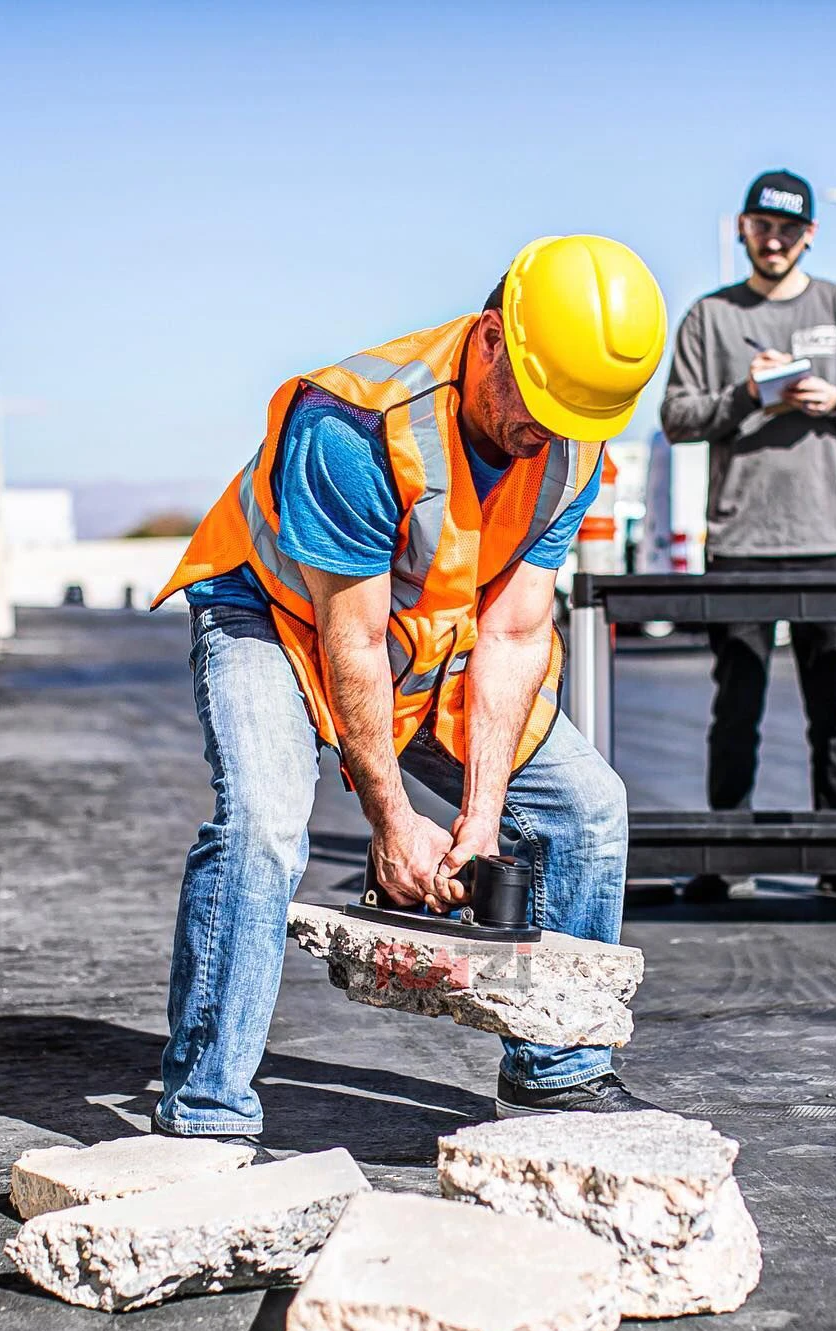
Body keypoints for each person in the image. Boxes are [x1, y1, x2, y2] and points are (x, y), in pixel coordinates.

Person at [151, 235, 667, 1140]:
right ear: (494, 337)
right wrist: (391, 821)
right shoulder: (355, 426)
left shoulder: (573, 441)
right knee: (265, 824)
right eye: (540, 404)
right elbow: (346, 640)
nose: (547, 431)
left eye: (574, 416)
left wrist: (480, 814)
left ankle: (558, 1070)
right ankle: (206, 1108)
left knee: (586, 809)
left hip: (423, 641)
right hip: (276, 620)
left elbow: (512, 632)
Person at [660, 169, 836, 900]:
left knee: (834, 706)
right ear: (742, 228)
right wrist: (748, 395)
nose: (775, 241)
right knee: (737, 706)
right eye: (763, 228)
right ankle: (725, 857)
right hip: (739, 542)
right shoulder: (710, 318)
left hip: (826, 538)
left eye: (789, 231)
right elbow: (677, 418)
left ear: (810, 236)